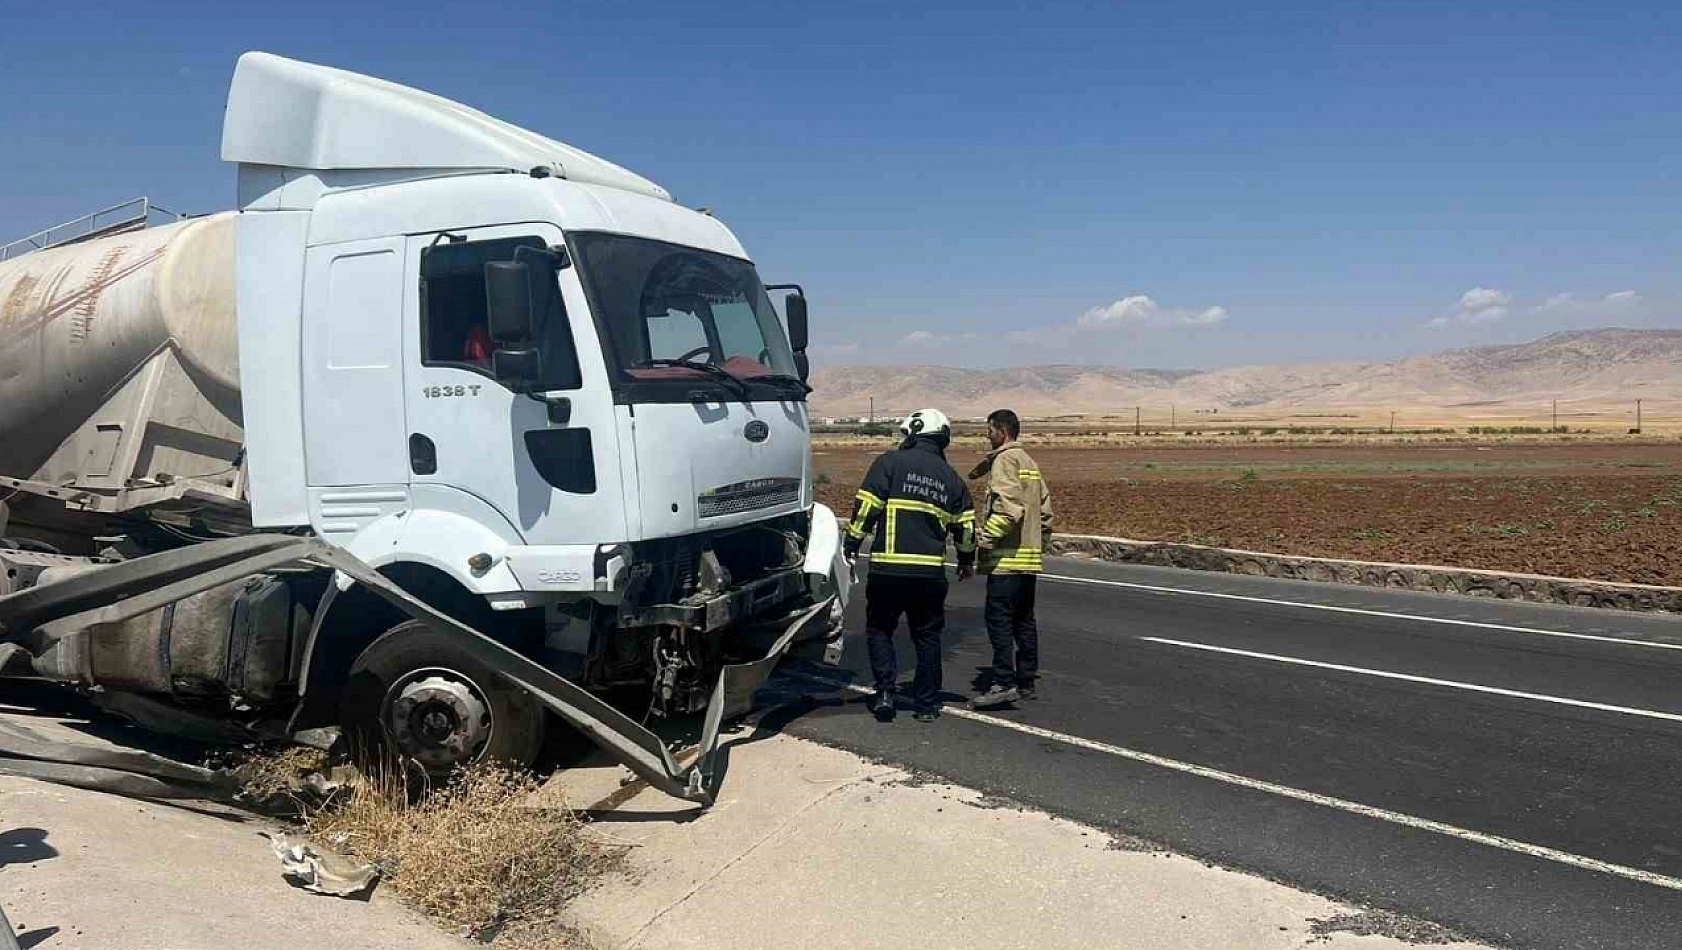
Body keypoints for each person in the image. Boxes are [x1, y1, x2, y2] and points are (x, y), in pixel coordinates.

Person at [843, 409, 977, 723]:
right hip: (929, 574)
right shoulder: (951, 479)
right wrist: (966, 561)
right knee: (927, 637)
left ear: (912, 433)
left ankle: (886, 694)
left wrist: (850, 545)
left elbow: (866, 509)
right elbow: (967, 529)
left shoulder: (889, 463)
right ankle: (927, 705)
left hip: (888, 570)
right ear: (942, 438)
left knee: (880, 630)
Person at [969, 408, 1053, 708]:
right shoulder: (1030, 462)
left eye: (989, 431)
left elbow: (1008, 508)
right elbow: (1045, 514)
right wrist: (1038, 545)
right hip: (1028, 561)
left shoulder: (1005, 460)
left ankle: (1003, 682)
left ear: (1002, 432)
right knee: (1024, 620)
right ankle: (1026, 680)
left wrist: (985, 539)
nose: (986, 436)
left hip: (1006, 561)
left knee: (1000, 620)